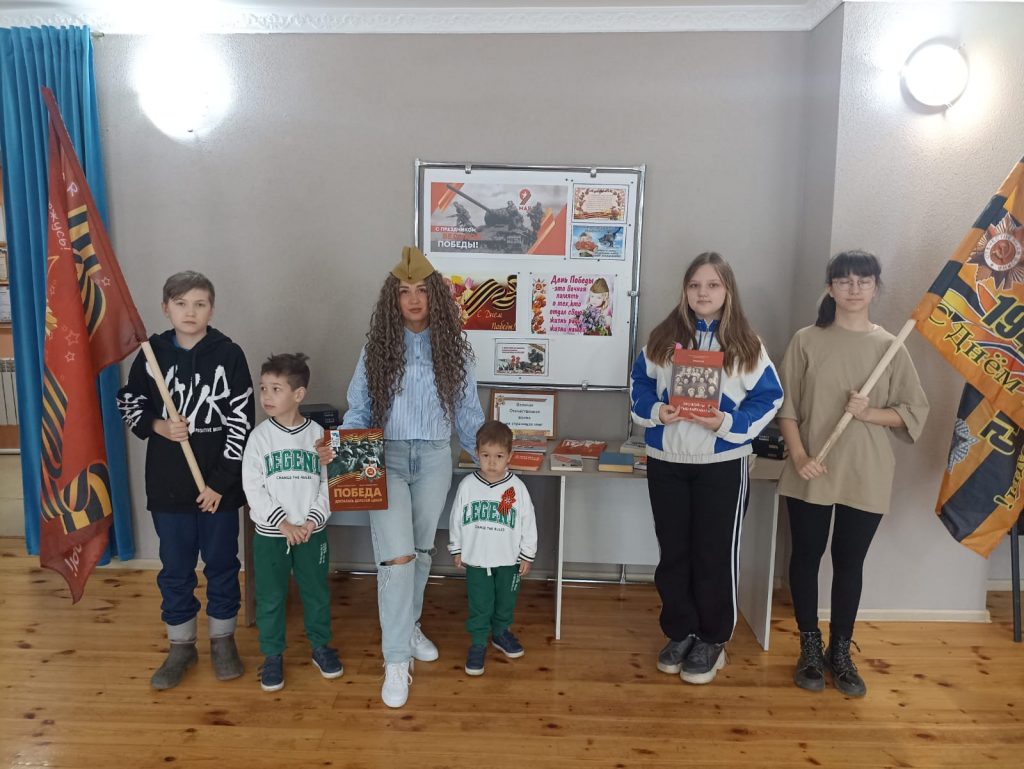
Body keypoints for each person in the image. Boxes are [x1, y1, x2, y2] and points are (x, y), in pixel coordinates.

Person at [320, 245, 484, 708]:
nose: (413, 299)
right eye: (404, 291)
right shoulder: (377, 349)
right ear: (393, 299)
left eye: (421, 290)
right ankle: (395, 660)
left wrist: (492, 459)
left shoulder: (456, 350)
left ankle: (409, 626)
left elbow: (468, 413)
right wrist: (342, 446)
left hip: (434, 457)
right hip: (385, 458)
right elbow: (359, 408)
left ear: (435, 296)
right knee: (396, 558)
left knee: (421, 551)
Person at [777, 250, 928, 698]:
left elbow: (913, 412)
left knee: (849, 562)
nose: (854, 288)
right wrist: (799, 456)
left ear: (876, 287)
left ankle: (840, 651)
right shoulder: (806, 340)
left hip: (866, 471)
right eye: (844, 280)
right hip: (811, 467)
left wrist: (869, 412)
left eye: (864, 280)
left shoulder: (891, 347)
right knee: (805, 557)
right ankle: (809, 646)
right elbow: (787, 409)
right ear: (831, 288)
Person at [630, 252, 783, 685]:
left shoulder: (747, 345)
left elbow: (770, 397)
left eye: (712, 285)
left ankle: (713, 639)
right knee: (674, 553)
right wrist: (657, 412)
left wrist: (727, 423)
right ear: (685, 290)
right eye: (695, 284)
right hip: (668, 462)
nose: (703, 292)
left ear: (727, 290)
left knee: (714, 554)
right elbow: (639, 385)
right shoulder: (662, 340)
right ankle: (680, 631)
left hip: (722, 465)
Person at [116, 271, 254, 690]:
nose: (190, 312)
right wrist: (159, 426)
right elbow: (129, 404)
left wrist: (221, 484)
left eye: (199, 304)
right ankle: (181, 646)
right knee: (176, 568)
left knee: (223, 565)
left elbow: (241, 423)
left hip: (219, 489)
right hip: (168, 487)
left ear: (211, 309)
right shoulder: (151, 354)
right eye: (180, 304)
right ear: (166, 308)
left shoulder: (229, 354)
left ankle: (223, 640)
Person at [242, 353, 342, 692]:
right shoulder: (259, 438)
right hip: (272, 535)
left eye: (276, 389)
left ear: (298, 394)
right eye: (263, 388)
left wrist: (312, 521)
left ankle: (321, 647)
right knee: (270, 597)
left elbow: (329, 484)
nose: (266, 396)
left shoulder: (318, 436)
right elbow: (253, 488)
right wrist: (283, 524)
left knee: (316, 593)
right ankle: (272, 655)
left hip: (312, 533)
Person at [448, 420, 538, 676]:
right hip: (477, 559)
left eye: (498, 456)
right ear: (477, 453)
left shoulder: (517, 488)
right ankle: (478, 643)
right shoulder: (468, 485)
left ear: (509, 456)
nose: (491, 462)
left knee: (505, 601)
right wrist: (457, 548)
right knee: (480, 603)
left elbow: (528, 522)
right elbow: (456, 519)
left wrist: (527, 554)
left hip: (509, 559)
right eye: (486, 455)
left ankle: (500, 633)